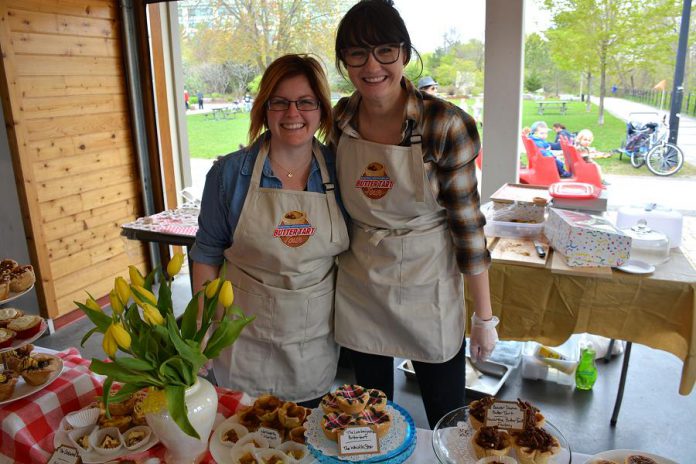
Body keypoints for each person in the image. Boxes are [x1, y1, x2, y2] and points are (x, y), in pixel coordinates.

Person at [331, 0, 499, 429]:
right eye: (357, 54)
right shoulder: (340, 120)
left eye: (385, 51)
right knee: (367, 416)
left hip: (427, 284)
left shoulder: (445, 124)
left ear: (405, 53)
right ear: (344, 62)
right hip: (362, 281)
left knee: (446, 416)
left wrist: (484, 318)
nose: (373, 66)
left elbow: (468, 228)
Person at [190, 54, 349, 406]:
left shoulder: (341, 171)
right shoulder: (228, 176)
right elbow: (206, 254)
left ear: (321, 110)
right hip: (243, 343)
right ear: (264, 109)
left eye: (305, 102)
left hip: (313, 344)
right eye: (280, 102)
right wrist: (200, 332)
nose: (293, 114)